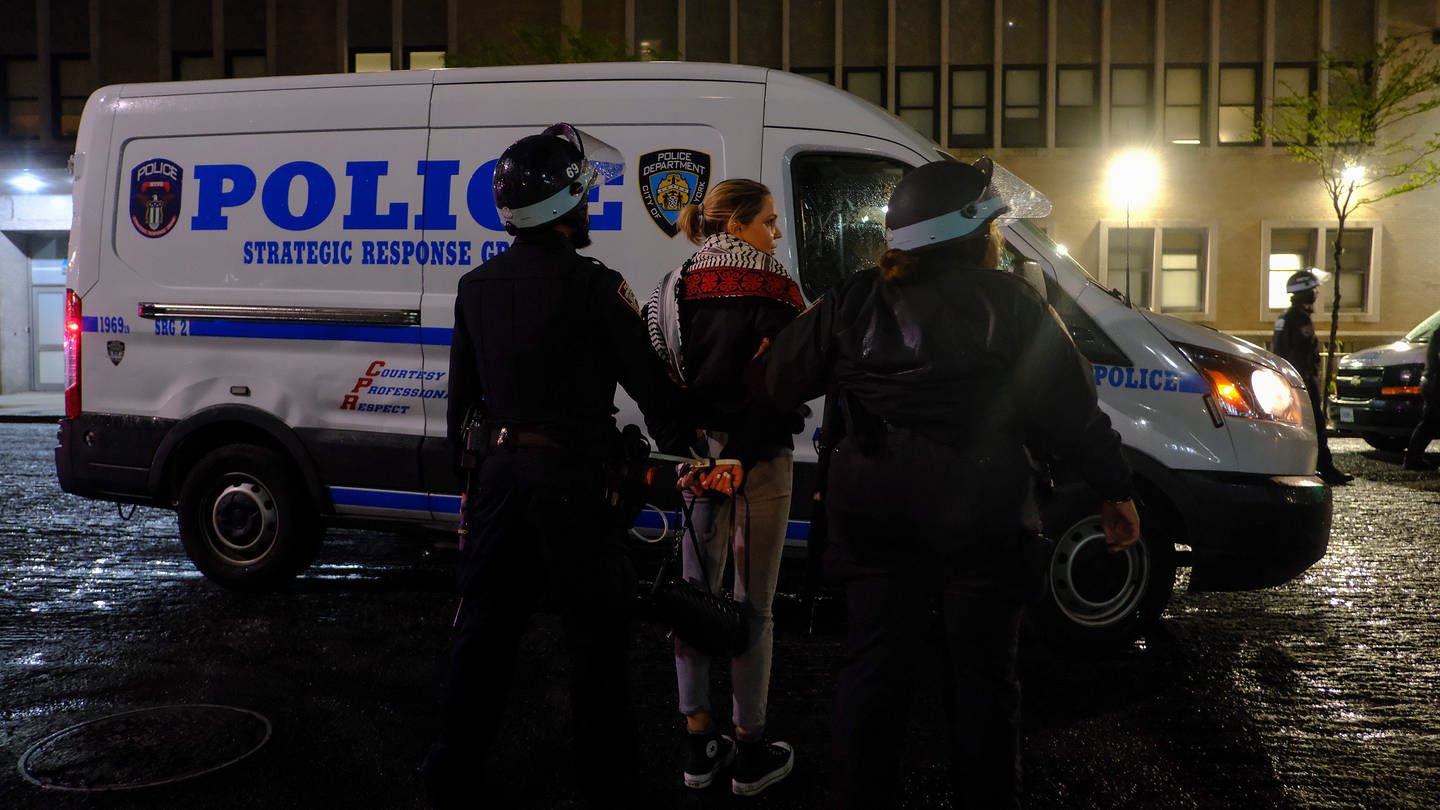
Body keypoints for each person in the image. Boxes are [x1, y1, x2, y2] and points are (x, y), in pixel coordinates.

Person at [750, 158, 1142, 809]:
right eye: (992, 225)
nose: (997, 237)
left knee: (871, 680)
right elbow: (1072, 413)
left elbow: (771, 385)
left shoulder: (850, 300)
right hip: (985, 522)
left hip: (874, 521)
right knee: (986, 688)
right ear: (966, 234)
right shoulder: (1015, 305)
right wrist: (1115, 491)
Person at [424, 123, 694, 809]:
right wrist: (699, 448)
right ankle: (609, 788)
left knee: (482, 639)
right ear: (567, 206)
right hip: (574, 486)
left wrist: (473, 491)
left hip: (500, 483)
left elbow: (463, 408)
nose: (591, 206)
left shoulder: (476, 285)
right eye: (585, 195)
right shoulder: (595, 286)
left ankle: (450, 779)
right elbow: (654, 392)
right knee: (596, 647)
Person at [643, 179, 805, 796]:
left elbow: (657, 381)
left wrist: (691, 451)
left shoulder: (671, 289)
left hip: (695, 460)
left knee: (694, 595)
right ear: (735, 226)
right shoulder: (779, 289)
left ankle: (697, 740)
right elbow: (779, 384)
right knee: (752, 604)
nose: (776, 233)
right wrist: (737, 454)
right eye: (767, 220)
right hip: (758, 460)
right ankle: (750, 748)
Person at [1273, 268, 1354, 485]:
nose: (1317, 293)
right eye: (1314, 290)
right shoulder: (1299, 319)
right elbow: (1299, 353)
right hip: (1302, 381)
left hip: (1289, 380)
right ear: (1305, 293)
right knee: (1316, 425)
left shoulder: (1286, 317)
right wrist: (1305, 379)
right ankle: (1325, 469)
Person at [1403, 320, 1440, 470]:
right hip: (1435, 381)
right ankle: (1413, 458)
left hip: (1432, 379)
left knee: (1429, 422)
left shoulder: (1437, 332)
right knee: (1429, 422)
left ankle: (1413, 458)